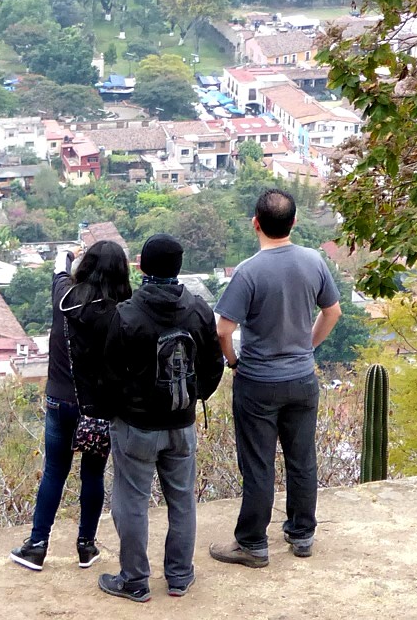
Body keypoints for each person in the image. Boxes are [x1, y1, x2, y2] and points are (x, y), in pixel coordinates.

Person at [209, 188, 342, 568]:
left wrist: (233, 362)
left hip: (258, 382)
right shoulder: (314, 261)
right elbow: (332, 312)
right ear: (294, 223)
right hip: (302, 377)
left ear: (256, 224)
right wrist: (307, 346)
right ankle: (302, 535)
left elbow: (223, 329)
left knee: (258, 464)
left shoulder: (248, 272)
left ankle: (253, 543)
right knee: (302, 459)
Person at [97, 234, 224, 602]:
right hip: (181, 422)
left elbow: (109, 377)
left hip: (137, 425)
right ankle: (180, 576)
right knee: (182, 500)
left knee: (132, 502)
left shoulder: (127, 314)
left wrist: (118, 412)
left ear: (142, 267)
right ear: (179, 268)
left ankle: (135, 581)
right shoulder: (199, 310)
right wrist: (195, 396)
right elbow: (213, 365)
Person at [10, 240, 132, 572]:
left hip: (59, 401)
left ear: (86, 267)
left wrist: (70, 254)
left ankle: (36, 545)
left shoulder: (63, 296)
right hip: (96, 411)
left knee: (54, 473)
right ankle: (86, 546)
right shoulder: (120, 312)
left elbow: (58, 266)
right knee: (92, 476)